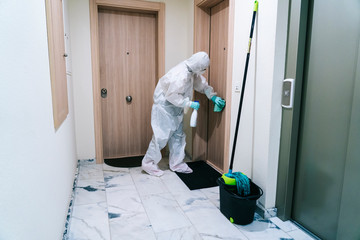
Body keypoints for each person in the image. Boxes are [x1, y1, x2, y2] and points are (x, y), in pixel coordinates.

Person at [142, 52, 226, 176]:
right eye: (203, 68)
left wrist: (212, 97)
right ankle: (148, 163)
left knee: (178, 136)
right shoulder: (180, 74)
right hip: (164, 108)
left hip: (175, 108)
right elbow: (171, 95)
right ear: (198, 66)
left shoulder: (191, 71)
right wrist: (189, 103)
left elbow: (201, 85)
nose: (204, 70)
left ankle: (176, 163)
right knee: (161, 137)